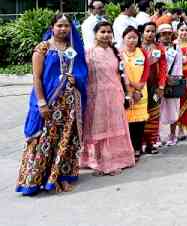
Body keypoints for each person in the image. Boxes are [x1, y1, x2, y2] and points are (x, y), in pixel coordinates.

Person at [16, 14, 88, 196]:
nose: (63, 29)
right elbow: (37, 78)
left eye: (67, 26)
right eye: (60, 25)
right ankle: (36, 180)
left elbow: (79, 70)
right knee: (44, 140)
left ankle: (59, 177)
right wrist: (41, 103)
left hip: (69, 106)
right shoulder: (43, 48)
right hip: (50, 102)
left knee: (65, 141)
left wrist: (76, 78)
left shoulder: (71, 49)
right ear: (52, 27)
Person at [81, 21, 134, 176]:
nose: (106, 35)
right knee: (98, 128)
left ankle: (113, 161)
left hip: (115, 96)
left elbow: (123, 75)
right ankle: (97, 162)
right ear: (95, 34)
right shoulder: (88, 52)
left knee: (114, 128)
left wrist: (128, 94)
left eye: (109, 32)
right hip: (95, 97)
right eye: (102, 32)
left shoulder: (116, 52)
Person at [121, 26, 148, 160]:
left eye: (135, 38)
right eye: (129, 37)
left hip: (141, 91)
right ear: (123, 38)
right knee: (127, 122)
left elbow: (146, 70)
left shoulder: (142, 52)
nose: (132, 40)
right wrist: (131, 86)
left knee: (140, 122)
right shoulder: (119, 54)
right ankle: (128, 149)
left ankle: (137, 148)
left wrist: (139, 87)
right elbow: (120, 73)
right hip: (126, 91)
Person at [139, 22, 166, 154]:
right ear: (142, 32)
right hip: (139, 88)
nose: (150, 34)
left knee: (153, 115)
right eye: (147, 31)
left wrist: (161, 86)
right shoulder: (136, 48)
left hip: (154, 87)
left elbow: (163, 68)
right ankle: (139, 144)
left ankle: (151, 143)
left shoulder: (159, 48)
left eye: (152, 31)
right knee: (139, 114)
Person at [157, 23, 182, 146]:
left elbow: (179, 66)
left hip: (172, 81)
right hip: (158, 83)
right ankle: (156, 135)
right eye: (163, 34)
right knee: (157, 109)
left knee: (173, 108)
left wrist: (175, 78)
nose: (166, 36)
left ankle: (173, 134)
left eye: (168, 33)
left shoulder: (176, 48)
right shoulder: (156, 48)